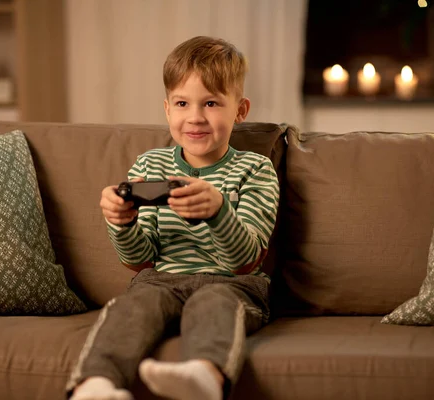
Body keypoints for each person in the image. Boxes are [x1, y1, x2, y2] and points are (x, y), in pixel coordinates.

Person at [66, 36, 280, 400]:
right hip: (161, 281)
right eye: (182, 103)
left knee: (213, 300)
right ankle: (95, 385)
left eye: (211, 103)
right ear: (167, 110)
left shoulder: (255, 169)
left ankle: (205, 377)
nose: (195, 117)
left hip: (232, 284)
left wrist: (218, 212)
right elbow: (139, 260)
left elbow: (245, 262)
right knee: (133, 304)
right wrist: (122, 222)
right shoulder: (150, 166)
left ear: (240, 111)